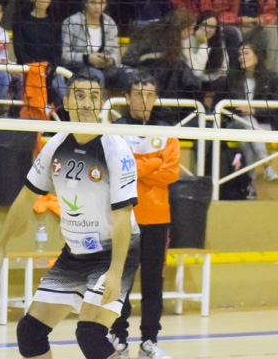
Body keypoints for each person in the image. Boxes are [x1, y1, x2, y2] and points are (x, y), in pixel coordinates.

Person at [0, 74, 140, 359]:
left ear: (102, 103)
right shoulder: (55, 146)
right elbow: (27, 197)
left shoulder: (115, 149)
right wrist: (0, 243)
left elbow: (123, 216)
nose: (86, 102)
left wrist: (115, 273)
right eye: (79, 95)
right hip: (76, 253)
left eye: (93, 96)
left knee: (90, 334)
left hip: (114, 253)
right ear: (66, 102)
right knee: (30, 333)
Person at [109, 72, 179, 359]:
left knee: (153, 282)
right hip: (124, 217)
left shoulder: (167, 131)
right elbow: (118, 168)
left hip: (157, 219)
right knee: (120, 281)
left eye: (150, 94)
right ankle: (118, 338)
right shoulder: (114, 130)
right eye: (139, 94)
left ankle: (149, 342)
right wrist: (153, 165)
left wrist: (138, 167)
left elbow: (171, 172)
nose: (144, 99)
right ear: (127, 97)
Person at [215, 44, 278, 198]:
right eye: (239, 55)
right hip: (235, 122)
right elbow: (221, 105)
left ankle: (249, 185)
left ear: (256, 57)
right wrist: (240, 110)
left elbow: (277, 107)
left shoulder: (269, 78)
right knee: (247, 123)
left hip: (260, 125)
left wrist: (254, 110)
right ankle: (266, 164)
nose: (241, 57)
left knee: (246, 141)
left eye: (246, 53)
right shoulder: (232, 78)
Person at [12, 0, 65, 103]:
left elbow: (58, 52)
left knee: (63, 94)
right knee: (22, 96)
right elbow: (19, 49)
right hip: (26, 69)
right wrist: (33, 66)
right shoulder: (20, 19)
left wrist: (50, 67)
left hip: (50, 71)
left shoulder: (56, 21)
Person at [62, 0, 122, 90]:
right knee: (96, 76)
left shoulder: (110, 23)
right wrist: (87, 58)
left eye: (101, 3)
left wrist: (110, 60)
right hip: (79, 68)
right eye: (93, 2)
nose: (98, 7)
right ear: (85, 3)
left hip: (107, 69)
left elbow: (115, 53)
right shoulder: (71, 22)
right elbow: (64, 55)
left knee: (133, 76)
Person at [184, 11, 228, 89]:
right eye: (204, 25)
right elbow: (196, 71)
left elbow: (224, 70)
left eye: (212, 27)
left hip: (213, 80)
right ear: (198, 25)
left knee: (224, 81)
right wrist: (204, 44)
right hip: (193, 80)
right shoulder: (188, 40)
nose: (208, 29)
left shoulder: (218, 40)